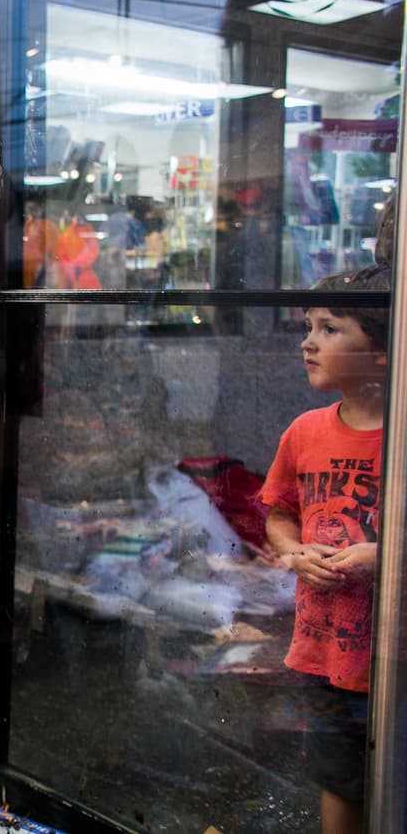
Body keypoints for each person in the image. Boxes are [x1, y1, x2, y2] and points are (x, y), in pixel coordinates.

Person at [260, 263, 392, 834]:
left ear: (385, 351)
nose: (308, 342)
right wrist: (293, 553)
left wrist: (384, 559)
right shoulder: (304, 431)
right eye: (309, 326)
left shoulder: (401, 435)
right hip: (324, 656)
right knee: (338, 782)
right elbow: (279, 514)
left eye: (331, 328)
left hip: (390, 661)